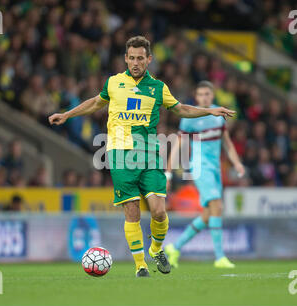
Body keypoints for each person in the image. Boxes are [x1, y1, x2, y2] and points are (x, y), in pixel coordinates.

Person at [48, 36, 235, 277]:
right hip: (119, 155)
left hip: (149, 155)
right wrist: (66, 114)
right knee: (132, 210)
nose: (135, 62)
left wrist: (209, 110)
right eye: (132, 58)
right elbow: (95, 103)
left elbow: (181, 109)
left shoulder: (158, 87)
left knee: (158, 211)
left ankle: (157, 249)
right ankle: (140, 265)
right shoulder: (114, 83)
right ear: (126, 58)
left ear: (149, 59)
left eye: (140, 58)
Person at [165, 81, 245, 269]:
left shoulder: (219, 113)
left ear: (212, 95)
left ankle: (174, 247)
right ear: (196, 96)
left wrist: (236, 162)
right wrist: (168, 172)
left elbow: (226, 142)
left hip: (216, 168)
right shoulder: (190, 117)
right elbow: (178, 145)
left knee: (209, 213)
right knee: (217, 205)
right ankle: (219, 257)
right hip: (200, 167)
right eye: (200, 94)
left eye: (207, 94)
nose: (204, 97)